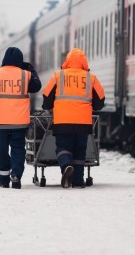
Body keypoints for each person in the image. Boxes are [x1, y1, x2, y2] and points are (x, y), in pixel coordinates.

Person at [0, 47, 41, 189]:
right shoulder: (25, 75)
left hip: (1, 122)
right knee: (18, 148)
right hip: (19, 121)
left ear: (4, 59)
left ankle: (4, 179)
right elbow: (36, 87)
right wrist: (31, 70)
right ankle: (16, 175)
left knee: (2, 148)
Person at [42, 48, 104, 188]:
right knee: (80, 151)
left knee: (63, 148)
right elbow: (100, 102)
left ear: (67, 61)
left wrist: (48, 106)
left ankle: (66, 167)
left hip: (62, 122)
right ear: (84, 62)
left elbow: (46, 98)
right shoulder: (91, 78)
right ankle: (78, 181)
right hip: (83, 122)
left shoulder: (58, 76)